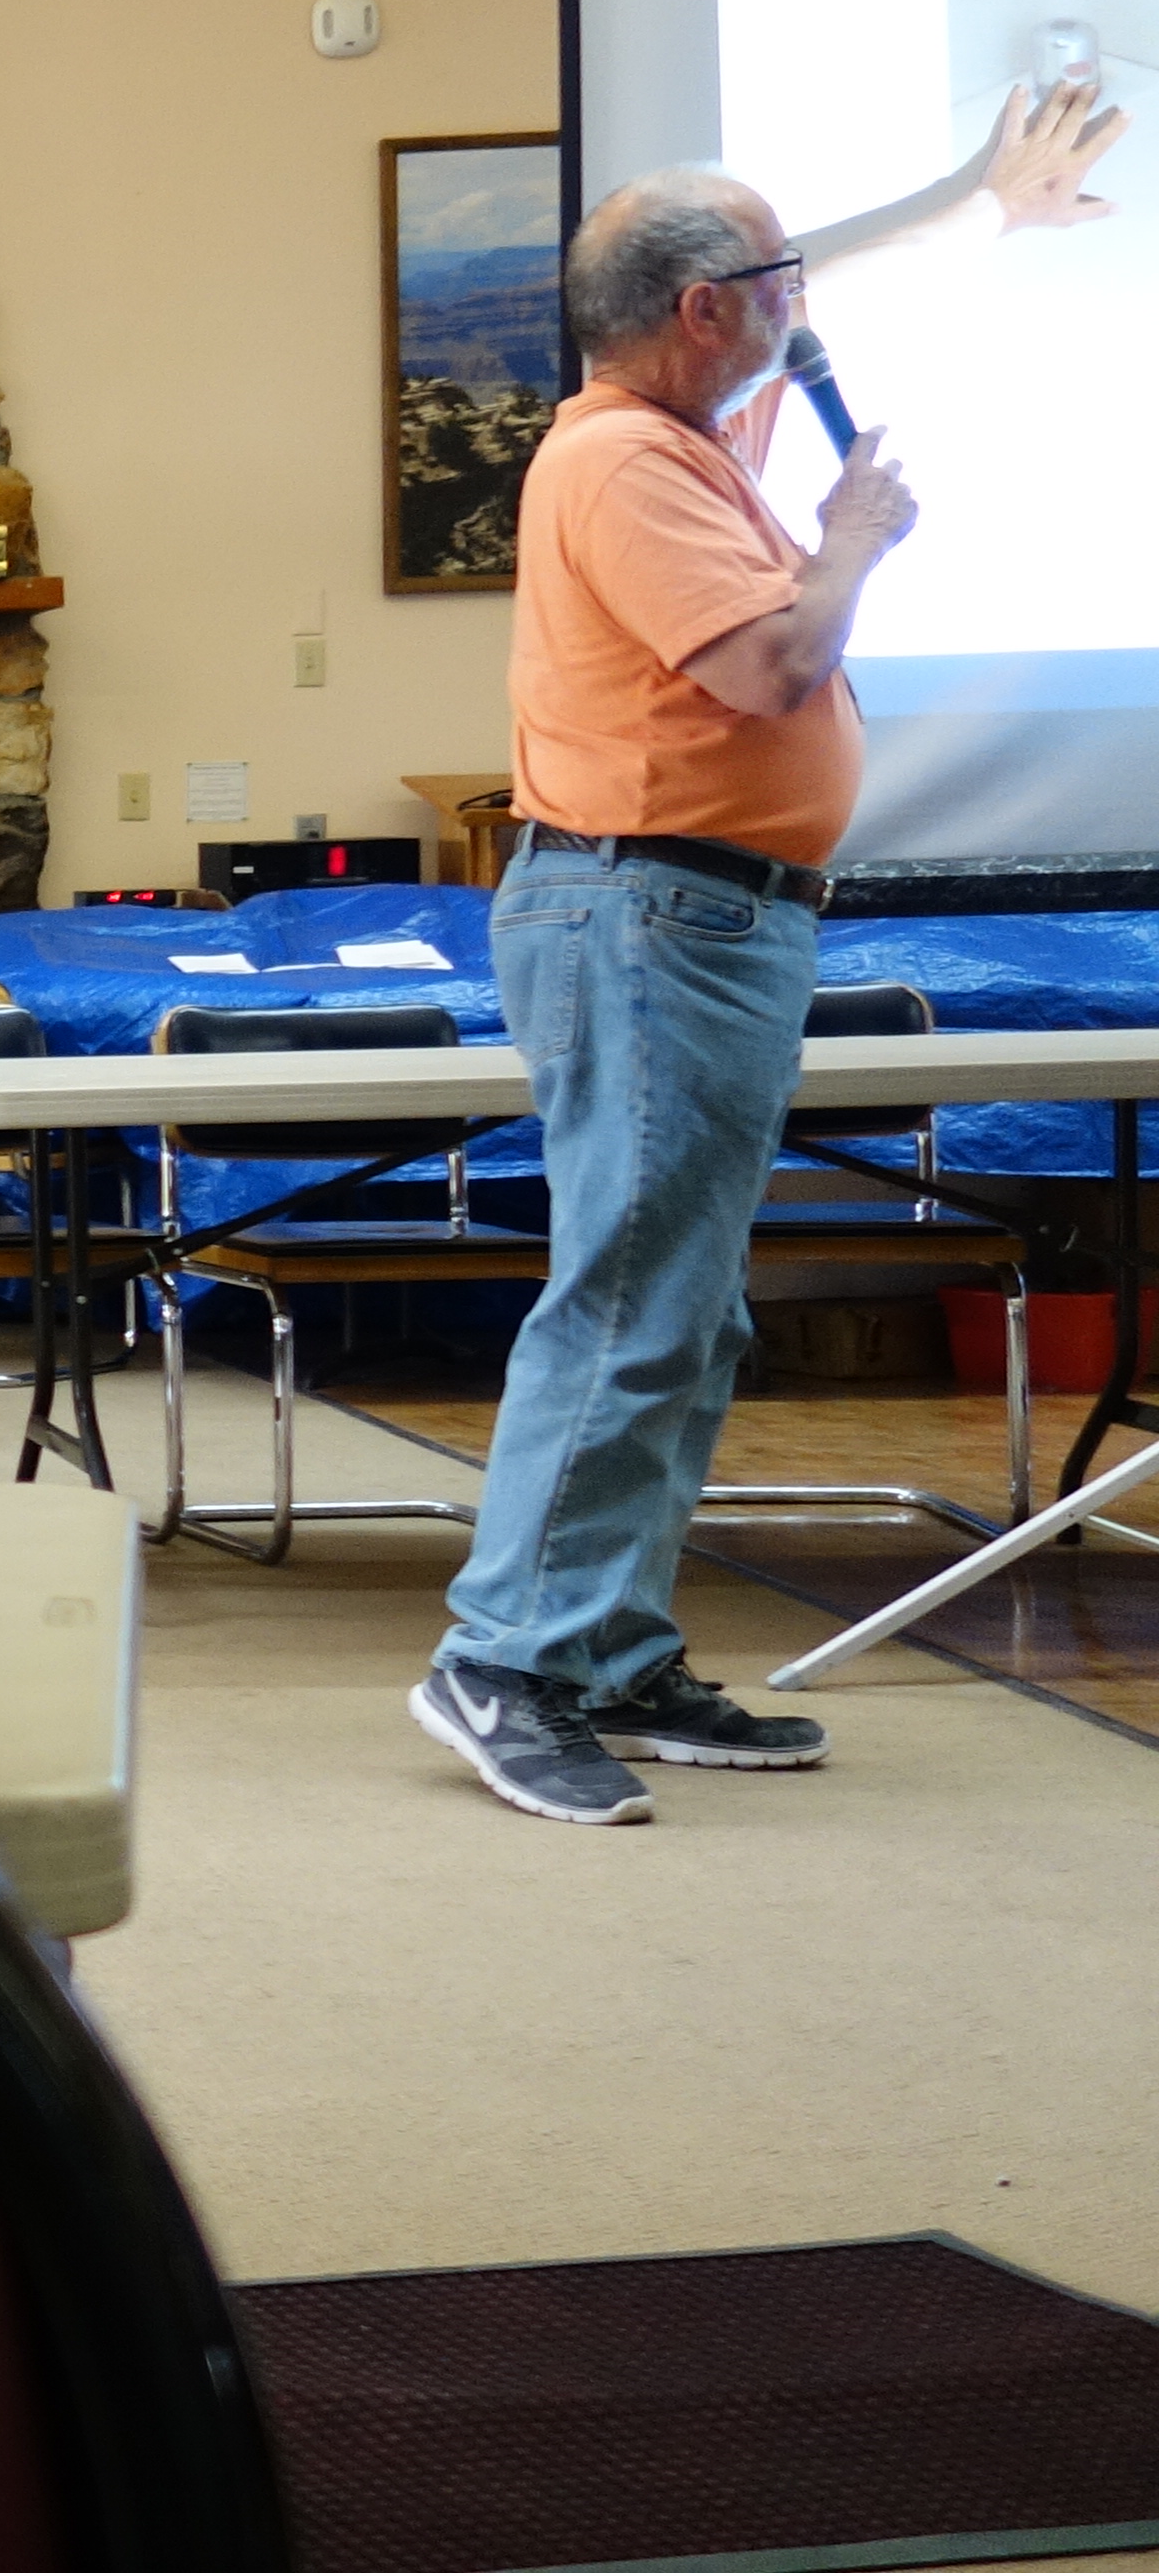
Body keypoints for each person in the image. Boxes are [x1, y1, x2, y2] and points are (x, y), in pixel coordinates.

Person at [413, 94, 1117, 1823]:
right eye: (775, 283)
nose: (804, 303)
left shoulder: (688, 422)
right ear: (703, 311)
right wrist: (854, 535)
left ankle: (607, 1649)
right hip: (650, 920)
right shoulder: (622, 463)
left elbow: (819, 274)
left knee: (683, 1308)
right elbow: (766, 669)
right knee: (633, 1302)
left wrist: (982, 204)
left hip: (695, 922)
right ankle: (503, 1661)